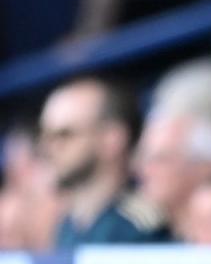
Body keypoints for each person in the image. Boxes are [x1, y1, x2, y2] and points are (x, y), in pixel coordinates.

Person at [39, 78, 169, 247]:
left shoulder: (141, 229)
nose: (46, 148)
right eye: (45, 136)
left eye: (65, 135)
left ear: (112, 139)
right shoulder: (66, 227)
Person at [135, 110, 211, 240]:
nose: (146, 170)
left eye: (161, 159)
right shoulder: (147, 233)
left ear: (204, 167)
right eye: (145, 159)